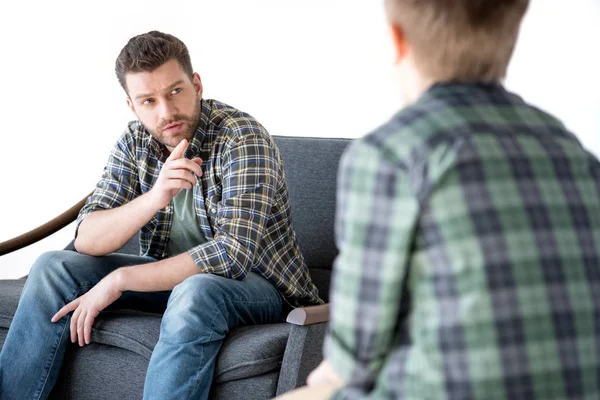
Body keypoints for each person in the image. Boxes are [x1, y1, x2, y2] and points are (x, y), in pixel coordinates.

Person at [280, 0, 600, 399]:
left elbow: (357, 352)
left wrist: (321, 381)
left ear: (398, 41)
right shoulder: (574, 153)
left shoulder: (390, 154)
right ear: (513, 33)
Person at [0, 30, 321, 400]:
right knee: (53, 267)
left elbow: (232, 256)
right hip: (171, 278)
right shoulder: (135, 141)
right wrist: (155, 197)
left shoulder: (242, 137)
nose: (166, 112)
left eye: (175, 92)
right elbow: (87, 238)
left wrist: (120, 278)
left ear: (196, 84)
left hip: (262, 289)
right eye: (149, 100)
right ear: (132, 106)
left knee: (196, 290)